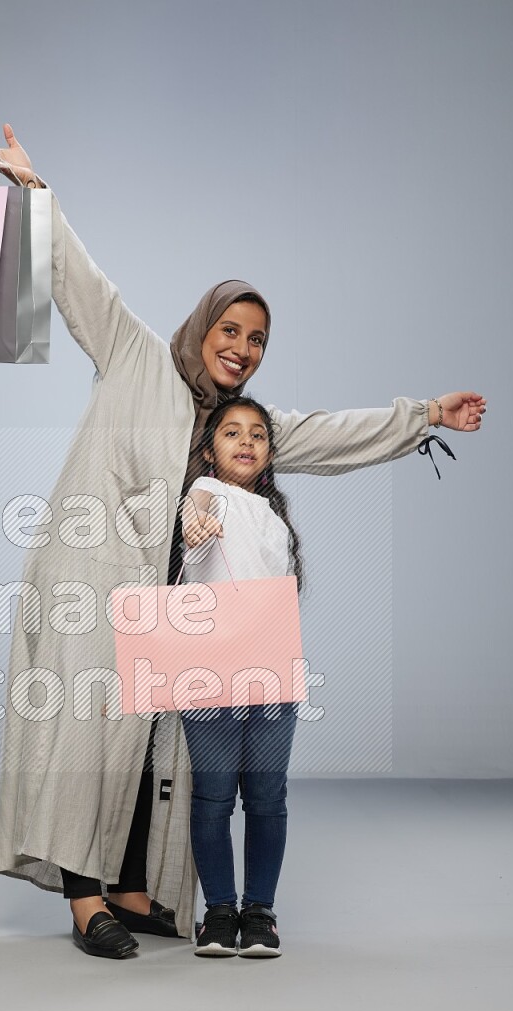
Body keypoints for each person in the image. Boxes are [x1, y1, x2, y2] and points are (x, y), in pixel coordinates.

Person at [0, 124, 487, 959]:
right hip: (90, 578)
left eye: (257, 341)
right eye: (232, 330)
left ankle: (131, 883)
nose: (242, 349)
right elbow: (78, 281)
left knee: (152, 741)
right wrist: (34, 190)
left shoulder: (243, 426)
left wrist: (423, 414)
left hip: (175, 609)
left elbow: (327, 433)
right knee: (90, 738)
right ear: (204, 324)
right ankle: (84, 898)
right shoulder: (136, 357)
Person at [180, 396, 303, 958]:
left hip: (271, 673)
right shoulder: (209, 494)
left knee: (266, 796)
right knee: (211, 798)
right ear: (210, 450)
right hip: (208, 674)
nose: (246, 442)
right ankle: (219, 913)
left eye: (257, 434)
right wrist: (195, 523)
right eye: (232, 433)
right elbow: (193, 514)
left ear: (269, 452)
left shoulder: (276, 519)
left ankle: (260, 913)